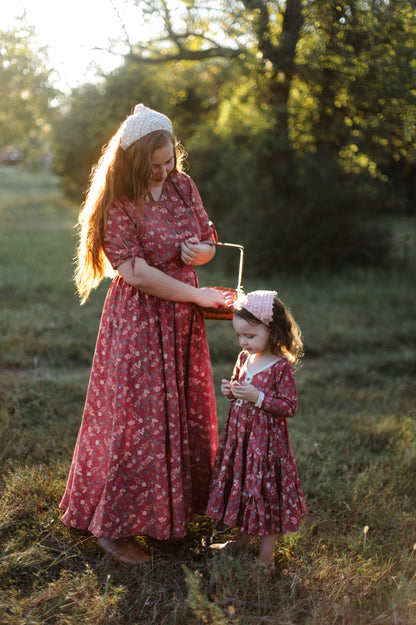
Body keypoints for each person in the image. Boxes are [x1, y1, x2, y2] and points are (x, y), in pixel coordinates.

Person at [59, 103, 227, 565]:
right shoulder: (119, 200)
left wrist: (200, 253)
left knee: (179, 412)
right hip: (141, 319)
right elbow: (134, 272)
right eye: (153, 166)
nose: (163, 171)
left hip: (180, 320)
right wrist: (196, 296)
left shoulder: (182, 185)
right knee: (138, 420)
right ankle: (113, 530)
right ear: (133, 161)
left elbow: (209, 238)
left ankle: (170, 518)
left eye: (169, 161)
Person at [206, 290, 307, 569]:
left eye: (250, 336)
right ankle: (241, 542)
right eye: (239, 335)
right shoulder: (244, 357)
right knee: (245, 489)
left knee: (263, 493)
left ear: (273, 331)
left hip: (266, 447)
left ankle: (265, 559)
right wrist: (231, 392)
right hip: (243, 442)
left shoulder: (279, 367)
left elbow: (289, 406)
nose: (243, 342)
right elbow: (242, 392)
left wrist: (257, 398)